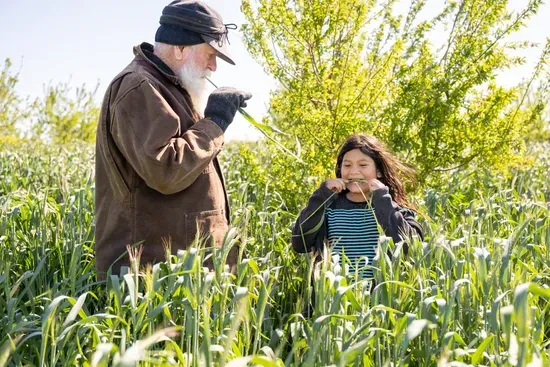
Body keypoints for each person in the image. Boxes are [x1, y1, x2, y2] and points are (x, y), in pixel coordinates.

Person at [95, 0, 251, 278]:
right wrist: (215, 123)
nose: (214, 67)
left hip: (181, 271)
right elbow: (165, 169)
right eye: (209, 54)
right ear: (180, 48)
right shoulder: (138, 86)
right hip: (155, 275)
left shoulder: (168, 86)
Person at [291, 134, 423, 280]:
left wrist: (382, 200)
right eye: (347, 165)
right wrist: (321, 196)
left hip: (381, 300)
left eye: (363, 165)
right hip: (331, 299)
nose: (354, 171)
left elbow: (412, 249)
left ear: (378, 171)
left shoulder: (395, 209)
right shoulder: (328, 208)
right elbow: (299, 243)